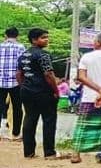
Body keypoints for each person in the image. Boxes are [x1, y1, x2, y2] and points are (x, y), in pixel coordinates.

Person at [16, 28, 59, 158]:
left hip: (27, 91)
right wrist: (56, 90)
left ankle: (29, 152)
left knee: (29, 118)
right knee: (49, 120)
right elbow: (48, 74)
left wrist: (23, 86)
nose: (46, 40)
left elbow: (19, 74)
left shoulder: (23, 55)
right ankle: (49, 152)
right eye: (43, 37)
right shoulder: (43, 55)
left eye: (47, 37)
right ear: (34, 40)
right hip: (43, 91)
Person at [0, 27, 25, 140]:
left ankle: (1, 133)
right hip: (16, 82)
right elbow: (23, 65)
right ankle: (16, 133)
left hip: (0, 81)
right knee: (17, 108)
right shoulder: (20, 47)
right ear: (17, 36)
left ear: (5, 35)